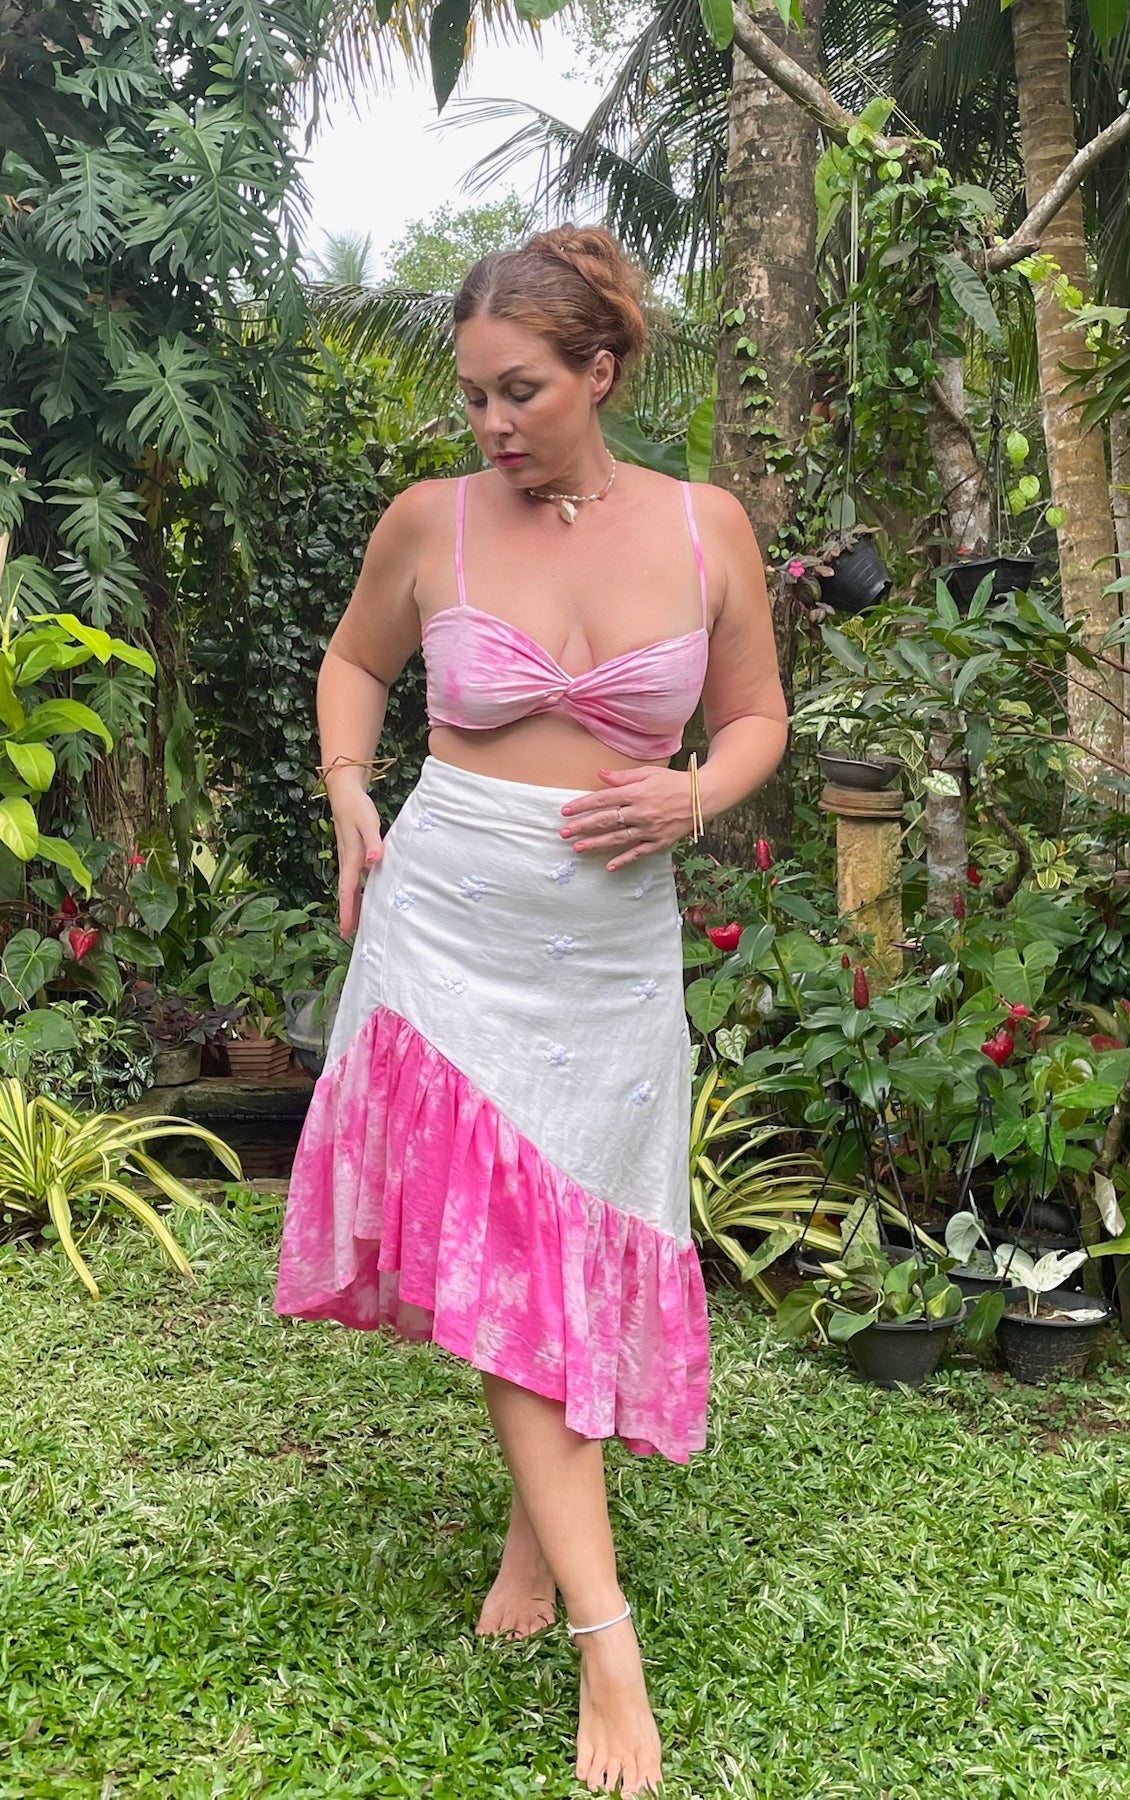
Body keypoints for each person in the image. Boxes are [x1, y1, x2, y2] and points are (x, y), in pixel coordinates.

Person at [274, 225, 787, 1795]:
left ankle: (533, 1539)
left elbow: (758, 717)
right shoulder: (430, 523)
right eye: (475, 396)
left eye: (523, 392)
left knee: (574, 1227)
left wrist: (695, 792)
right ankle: (605, 1641)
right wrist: (351, 790)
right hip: (448, 926)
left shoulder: (705, 529)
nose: (492, 423)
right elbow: (352, 663)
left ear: (601, 372)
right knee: (507, 1239)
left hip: (611, 943)